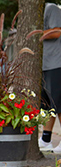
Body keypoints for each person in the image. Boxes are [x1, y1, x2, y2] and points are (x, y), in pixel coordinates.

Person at [38, 3, 61, 153]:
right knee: (48, 104)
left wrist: (36, 35)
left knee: (59, 104)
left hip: (56, 63)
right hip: (45, 64)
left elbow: (57, 31)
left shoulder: (50, 8)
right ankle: (46, 139)